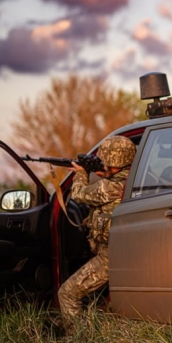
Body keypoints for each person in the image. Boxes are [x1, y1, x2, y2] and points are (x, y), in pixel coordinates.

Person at [57, 135, 136, 330]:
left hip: (110, 258)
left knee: (67, 293)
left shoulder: (112, 186)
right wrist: (103, 174)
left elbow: (78, 194)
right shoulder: (133, 179)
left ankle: (79, 340)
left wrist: (82, 174)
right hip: (126, 253)